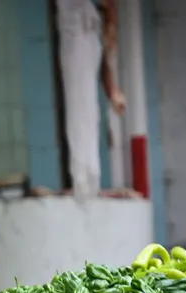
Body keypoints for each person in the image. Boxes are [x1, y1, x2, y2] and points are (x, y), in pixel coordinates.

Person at [57, 0, 125, 199]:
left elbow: (104, 60)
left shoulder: (99, 20)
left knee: (89, 112)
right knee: (80, 108)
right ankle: (82, 179)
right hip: (76, 29)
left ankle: (90, 179)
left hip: (89, 30)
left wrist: (112, 91)